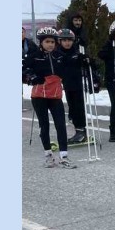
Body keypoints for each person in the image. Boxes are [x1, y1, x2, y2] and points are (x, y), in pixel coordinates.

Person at [23, 27, 76, 168]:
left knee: (61, 125)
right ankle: (48, 155)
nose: (50, 44)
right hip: (39, 96)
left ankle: (64, 156)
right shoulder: (34, 56)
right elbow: (24, 71)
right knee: (44, 126)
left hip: (55, 96)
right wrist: (31, 77)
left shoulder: (59, 56)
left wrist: (83, 61)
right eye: (47, 42)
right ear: (41, 42)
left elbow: (70, 67)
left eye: (53, 42)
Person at [55, 28, 97, 145]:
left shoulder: (77, 52)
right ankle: (77, 130)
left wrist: (87, 60)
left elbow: (90, 64)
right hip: (66, 84)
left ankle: (81, 131)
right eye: (64, 40)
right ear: (59, 41)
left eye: (69, 40)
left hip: (78, 84)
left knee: (79, 108)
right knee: (72, 108)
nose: (67, 43)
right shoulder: (58, 53)